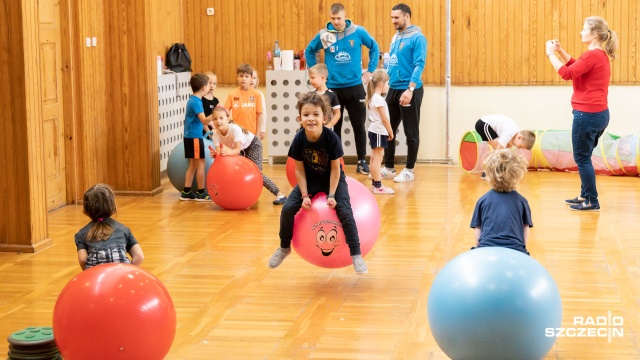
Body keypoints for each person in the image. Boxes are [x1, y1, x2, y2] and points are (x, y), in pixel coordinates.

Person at [267, 93, 368, 274]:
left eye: (315, 114)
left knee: (344, 210)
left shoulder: (331, 138)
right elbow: (299, 170)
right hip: (311, 178)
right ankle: (284, 247)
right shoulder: (299, 139)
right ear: (299, 118)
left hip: (333, 178)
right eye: (306, 115)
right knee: (288, 208)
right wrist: (305, 195)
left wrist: (331, 195)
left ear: (325, 118)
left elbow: (336, 169)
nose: (311, 119)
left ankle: (356, 254)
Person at [546, 16, 618, 212]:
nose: (580, 32)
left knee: (582, 158)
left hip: (586, 116)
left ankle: (592, 201)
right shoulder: (598, 56)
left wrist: (550, 54)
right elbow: (575, 66)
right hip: (599, 115)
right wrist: (560, 51)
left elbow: (566, 73)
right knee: (584, 156)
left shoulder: (592, 56)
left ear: (594, 34)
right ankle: (584, 195)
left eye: (584, 29)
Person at [305, 3, 380, 175]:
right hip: (332, 88)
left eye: (339, 18)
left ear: (345, 17)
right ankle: (336, 161)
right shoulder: (324, 34)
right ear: (330, 18)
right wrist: (316, 72)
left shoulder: (358, 31)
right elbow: (309, 50)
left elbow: (374, 47)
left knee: (359, 126)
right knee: (333, 126)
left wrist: (370, 70)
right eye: (333, 18)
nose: (336, 22)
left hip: (354, 87)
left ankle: (362, 161)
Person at [382, 3, 427, 183]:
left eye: (396, 18)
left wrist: (410, 89)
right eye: (392, 17)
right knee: (388, 130)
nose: (393, 21)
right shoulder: (395, 37)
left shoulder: (418, 38)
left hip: (409, 90)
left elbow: (419, 64)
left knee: (411, 132)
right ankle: (389, 167)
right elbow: (392, 62)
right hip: (393, 88)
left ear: (406, 17)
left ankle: (409, 170)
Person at [208, 106, 287, 205]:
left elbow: (236, 150)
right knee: (239, 173)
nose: (218, 121)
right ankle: (247, 195)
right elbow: (219, 152)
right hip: (242, 149)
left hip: (253, 145)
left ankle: (280, 195)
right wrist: (215, 154)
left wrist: (227, 153)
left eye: (221, 118)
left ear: (227, 119)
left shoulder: (234, 129)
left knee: (257, 174)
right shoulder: (215, 134)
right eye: (215, 119)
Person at [470, 149, 533, 255]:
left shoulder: (482, 200)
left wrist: (478, 248)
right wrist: (522, 250)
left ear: (489, 175)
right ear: (518, 176)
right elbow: (525, 228)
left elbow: (478, 230)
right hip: (515, 251)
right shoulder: (522, 201)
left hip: (486, 250)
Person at [75, 184, 144, 270]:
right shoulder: (123, 230)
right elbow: (139, 256)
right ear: (114, 209)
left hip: (96, 278)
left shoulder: (81, 233)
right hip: (121, 276)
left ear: (84, 212)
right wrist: (128, 270)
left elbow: (82, 259)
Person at [181, 73, 214, 201]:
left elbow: (201, 121)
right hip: (194, 137)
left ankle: (186, 191)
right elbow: (204, 120)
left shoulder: (194, 100)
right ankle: (201, 192)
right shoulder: (196, 102)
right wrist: (216, 112)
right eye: (208, 85)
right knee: (201, 164)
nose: (209, 87)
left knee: (193, 165)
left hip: (191, 136)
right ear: (203, 88)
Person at [365, 70, 394, 194]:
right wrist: (390, 131)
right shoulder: (378, 99)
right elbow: (385, 118)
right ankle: (378, 186)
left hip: (375, 131)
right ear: (381, 84)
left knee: (374, 158)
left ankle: (375, 184)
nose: (388, 86)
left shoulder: (374, 98)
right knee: (377, 158)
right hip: (378, 131)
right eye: (388, 83)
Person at [224, 63, 264, 139]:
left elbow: (259, 115)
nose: (243, 78)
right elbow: (225, 112)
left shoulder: (257, 95)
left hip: (252, 134)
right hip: (238, 133)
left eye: (246, 76)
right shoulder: (232, 94)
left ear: (251, 78)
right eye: (241, 76)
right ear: (237, 77)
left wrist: (258, 133)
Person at [308, 64, 341, 128]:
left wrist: (330, 125)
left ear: (322, 78)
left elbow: (337, 113)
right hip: (312, 128)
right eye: (309, 78)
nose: (310, 81)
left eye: (313, 78)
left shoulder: (332, 94)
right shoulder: (309, 94)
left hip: (326, 130)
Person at [249, 70, 267, 140]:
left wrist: (262, 130)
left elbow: (263, 113)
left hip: (256, 130)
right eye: (250, 78)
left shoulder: (259, 94)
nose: (252, 80)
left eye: (254, 78)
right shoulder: (240, 94)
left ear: (257, 80)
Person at [202, 72, 219, 138]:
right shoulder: (201, 99)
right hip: (204, 132)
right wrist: (208, 132)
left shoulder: (216, 101)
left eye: (214, 83)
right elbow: (202, 120)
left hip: (214, 132)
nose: (212, 85)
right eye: (210, 83)